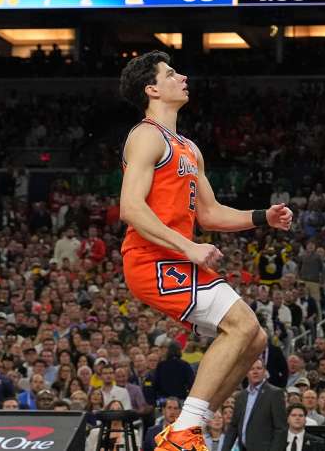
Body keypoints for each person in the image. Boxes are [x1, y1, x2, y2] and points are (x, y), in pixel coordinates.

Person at [117, 51, 293, 450]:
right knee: (243, 326)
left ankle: (186, 426)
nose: (182, 77)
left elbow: (210, 213)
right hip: (151, 259)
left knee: (255, 341)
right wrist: (190, 247)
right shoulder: (146, 135)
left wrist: (263, 216)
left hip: (176, 255)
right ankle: (184, 430)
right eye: (171, 73)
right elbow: (130, 207)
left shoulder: (189, 148)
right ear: (152, 88)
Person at [226, 359, 288, 451]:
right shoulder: (240, 396)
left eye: (259, 368)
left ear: (264, 371)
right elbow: (233, 427)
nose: (255, 372)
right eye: (252, 369)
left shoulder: (275, 393)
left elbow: (281, 429)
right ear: (246, 373)